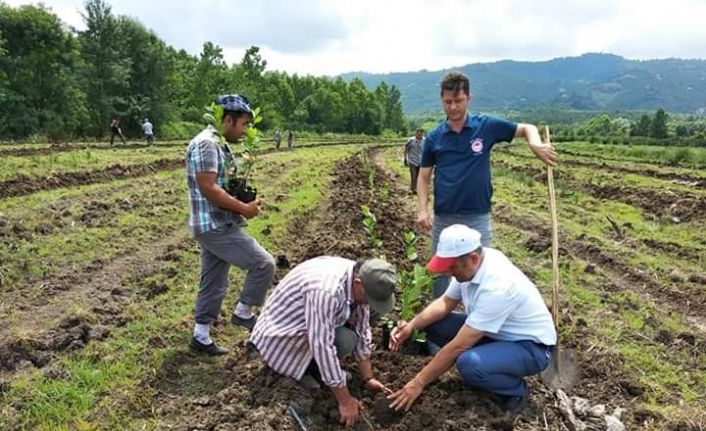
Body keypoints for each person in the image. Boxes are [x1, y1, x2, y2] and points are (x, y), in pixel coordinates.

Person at [417, 71, 557, 299]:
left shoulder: (486, 127)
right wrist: (422, 209)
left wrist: (535, 145)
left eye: (458, 101)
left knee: (482, 272)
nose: (452, 107)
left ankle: (478, 319)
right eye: (448, 102)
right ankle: (438, 324)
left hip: (477, 216)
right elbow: (423, 177)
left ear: (468, 98)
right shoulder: (434, 138)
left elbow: (527, 128)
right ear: (442, 100)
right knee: (440, 274)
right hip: (445, 216)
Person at [388, 224, 556, 414]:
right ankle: (487, 363)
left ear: (473, 259)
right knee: (433, 323)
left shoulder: (497, 287)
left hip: (531, 347)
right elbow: (445, 302)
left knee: (469, 364)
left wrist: (418, 382)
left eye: (451, 267)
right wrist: (411, 326)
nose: (447, 273)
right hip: (497, 333)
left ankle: (515, 390)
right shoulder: (473, 263)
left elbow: (459, 345)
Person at [250, 256, 397, 427]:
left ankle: (322, 370)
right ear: (358, 283)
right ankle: (302, 370)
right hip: (280, 337)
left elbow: (362, 327)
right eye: (370, 297)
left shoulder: (358, 278)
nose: (369, 303)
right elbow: (322, 346)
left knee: (363, 320)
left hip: (309, 324)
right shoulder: (327, 291)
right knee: (345, 341)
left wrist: (368, 379)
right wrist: (345, 401)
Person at [185, 94, 276, 356]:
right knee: (263, 264)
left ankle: (200, 336)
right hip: (214, 224)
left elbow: (220, 184)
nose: (246, 130)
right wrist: (244, 208)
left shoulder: (217, 143)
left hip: (214, 222)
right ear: (228, 120)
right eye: (244, 124)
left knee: (213, 280)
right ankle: (244, 312)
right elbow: (209, 188)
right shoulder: (207, 144)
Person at [404, 128, 425, 194]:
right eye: (418, 134)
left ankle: (417, 188)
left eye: (421, 134)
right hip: (412, 160)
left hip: (421, 161)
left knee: (419, 176)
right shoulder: (411, 141)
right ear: (416, 134)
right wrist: (405, 159)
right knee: (413, 175)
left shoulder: (425, 141)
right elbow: (406, 150)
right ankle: (414, 189)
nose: (419, 135)